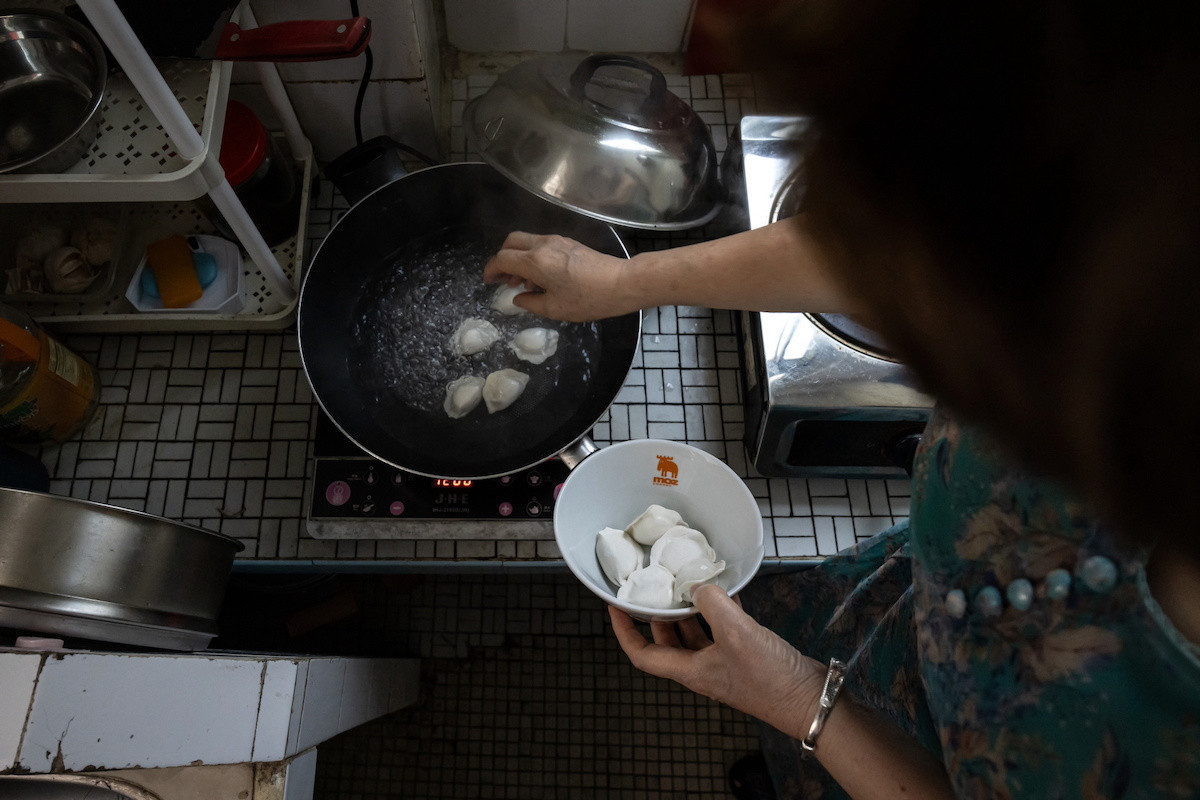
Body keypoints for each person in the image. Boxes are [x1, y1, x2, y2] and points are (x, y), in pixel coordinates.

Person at [483, 1, 1200, 797]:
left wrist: (799, 701)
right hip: (900, 609)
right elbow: (913, 247)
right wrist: (625, 282)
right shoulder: (1107, 205)